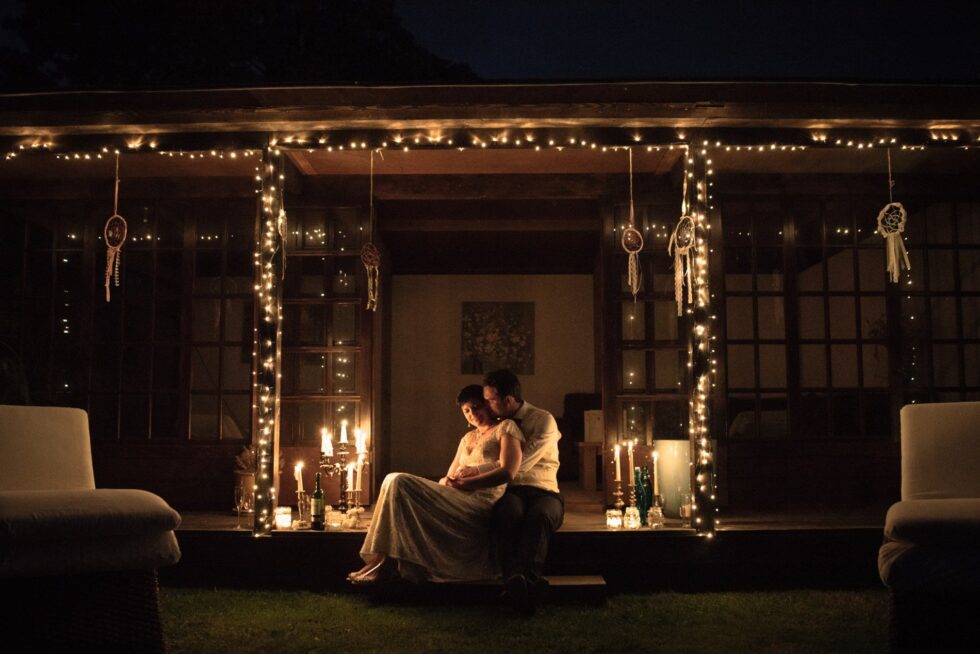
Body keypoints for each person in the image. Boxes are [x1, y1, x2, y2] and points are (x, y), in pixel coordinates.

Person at [348, 385, 523, 584]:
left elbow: (507, 472)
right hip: (457, 493)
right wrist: (448, 481)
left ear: (487, 405)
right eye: (467, 411)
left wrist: (467, 482)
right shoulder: (467, 438)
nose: (473, 414)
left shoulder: (506, 428)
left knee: (398, 481)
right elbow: (447, 477)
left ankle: (385, 562)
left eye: (476, 407)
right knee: (391, 480)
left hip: (481, 500)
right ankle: (384, 558)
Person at [481, 369, 563, 615]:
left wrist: (478, 472)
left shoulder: (543, 420)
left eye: (490, 400)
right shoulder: (495, 425)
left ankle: (520, 580)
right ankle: (521, 584)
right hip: (512, 491)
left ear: (508, 400)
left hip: (544, 490)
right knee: (507, 512)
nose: (487, 405)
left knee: (540, 516)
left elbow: (519, 464)